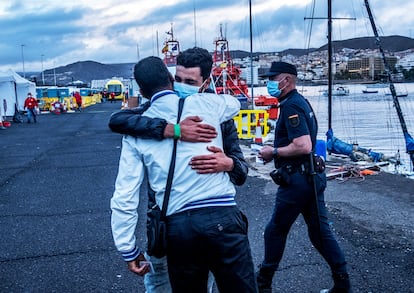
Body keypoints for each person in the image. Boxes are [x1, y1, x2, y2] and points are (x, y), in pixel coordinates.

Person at [111, 56, 257, 293]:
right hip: (223, 216)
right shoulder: (209, 105)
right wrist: (178, 125)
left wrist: (127, 248)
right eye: (179, 80)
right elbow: (235, 103)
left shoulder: (137, 126)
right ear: (170, 79)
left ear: (141, 90)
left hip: (178, 226)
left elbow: (124, 194)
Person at [255, 62, 351, 293]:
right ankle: (342, 283)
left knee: (275, 229)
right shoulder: (301, 102)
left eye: (272, 78)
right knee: (319, 232)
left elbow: (303, 145)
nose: (268, 82)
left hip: (298, 180)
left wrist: (273, 152)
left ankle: (263, 283)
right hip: (311, 176)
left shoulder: (291, 106)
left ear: (286, 80)